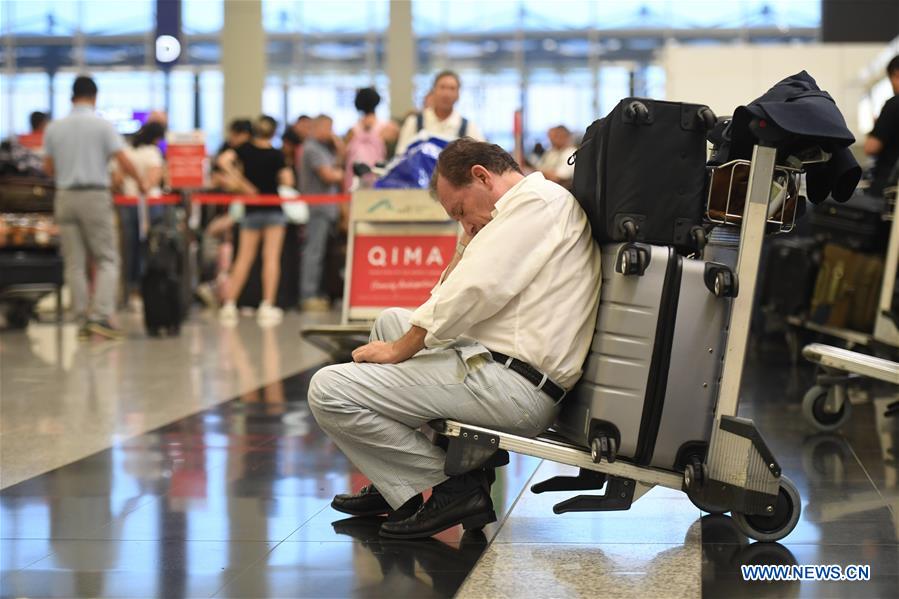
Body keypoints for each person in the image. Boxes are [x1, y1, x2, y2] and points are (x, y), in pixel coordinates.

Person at [307, 138, 602, 539]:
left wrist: (402, 350)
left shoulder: (537, 204)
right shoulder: (517, 209)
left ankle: (455, 489)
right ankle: (400, 486)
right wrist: (468, 240)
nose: (464, 223)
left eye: (460, 211)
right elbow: (453, 287)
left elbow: (472, 292)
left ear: (481, 175)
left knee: (328, 390)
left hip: (517, 388)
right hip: (498, 366)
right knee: (392, 320)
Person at [217, 115, 295, 327]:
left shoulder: (244, 150)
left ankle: (229, 304)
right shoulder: (276, 154)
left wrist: (241, 181)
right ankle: (267, 304)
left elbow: (223, 160)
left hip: (251, 210)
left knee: (243, 258)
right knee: (271, 258)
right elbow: (288, 180)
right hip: (273, 210)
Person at [111, 121, 166, 310]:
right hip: (150, 205)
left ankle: (129, 291)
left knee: (129, 248)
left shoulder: (128, 151)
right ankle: (146, 290)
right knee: (149, 247)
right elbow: (153, 179)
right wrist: (144, 185)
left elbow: (117, 180)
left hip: (128, 203)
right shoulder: (153, 152)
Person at [299, 114, 344, 312]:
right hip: (318, 208)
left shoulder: (324, 149)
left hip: (327, 209)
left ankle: (317, 291)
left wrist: (340, 148)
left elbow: (336, 167)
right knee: (313, 252)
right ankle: (308, 294)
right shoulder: (311, 148)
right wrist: (340, 175)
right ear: (316, 128)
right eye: (328, 128)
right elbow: (329, 175)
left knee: (321, 253)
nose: (330, 133)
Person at [395, 71, 484, 155]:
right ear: (433, 91)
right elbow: (400, 155)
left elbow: (482, 157)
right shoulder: (414, 122)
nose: (446, 94)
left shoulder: (468, 126)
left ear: (458, 95)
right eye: (442, 87)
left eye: (452, 89)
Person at [343, 87, 398, 191]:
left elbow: (344, 156)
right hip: (378, 177)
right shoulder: (388, 128)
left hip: (355, 180)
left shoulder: (352, 131)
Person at [864, 55, 899, 197]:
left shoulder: (894, 105)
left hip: (888, 187)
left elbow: (871, 147)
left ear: (896, 73)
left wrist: (876, 128)